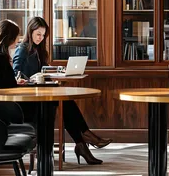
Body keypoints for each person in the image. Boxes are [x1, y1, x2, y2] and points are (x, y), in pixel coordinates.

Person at [0, 19, 105, 165]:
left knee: (60, 102)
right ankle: (77, 142)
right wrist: (19, 83)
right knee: (52, 105)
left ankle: (78, 143)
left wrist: (16, 83)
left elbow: (1, 86)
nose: (17, 40)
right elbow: (2, 91)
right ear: (8, 38)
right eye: (16, 37)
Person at [13, 17, 111, 164]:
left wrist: (57, 71)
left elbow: (44, 69)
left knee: (66, 103)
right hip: (29, 99)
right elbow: (17, 74)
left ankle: (83, 142)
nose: (40, 38)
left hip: (40, 94)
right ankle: (85, 138)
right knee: (66, 103)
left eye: (43, 35)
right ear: (30, 32)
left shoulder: (38, 51)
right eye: (38, 34)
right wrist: (31, 79)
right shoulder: (22, 50)